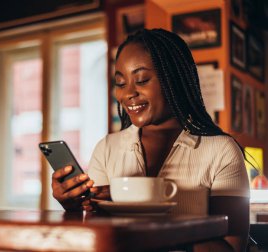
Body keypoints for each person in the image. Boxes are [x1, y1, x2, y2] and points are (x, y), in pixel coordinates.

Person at [51, 29, 250, 252]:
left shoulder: (221, 151)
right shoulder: (107, 148)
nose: (128, 93)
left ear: (172, 79)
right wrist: (73, 207)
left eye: (142, 80)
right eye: (120, 82)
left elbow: (232, 247)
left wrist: (152, 221)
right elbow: (98, 238)